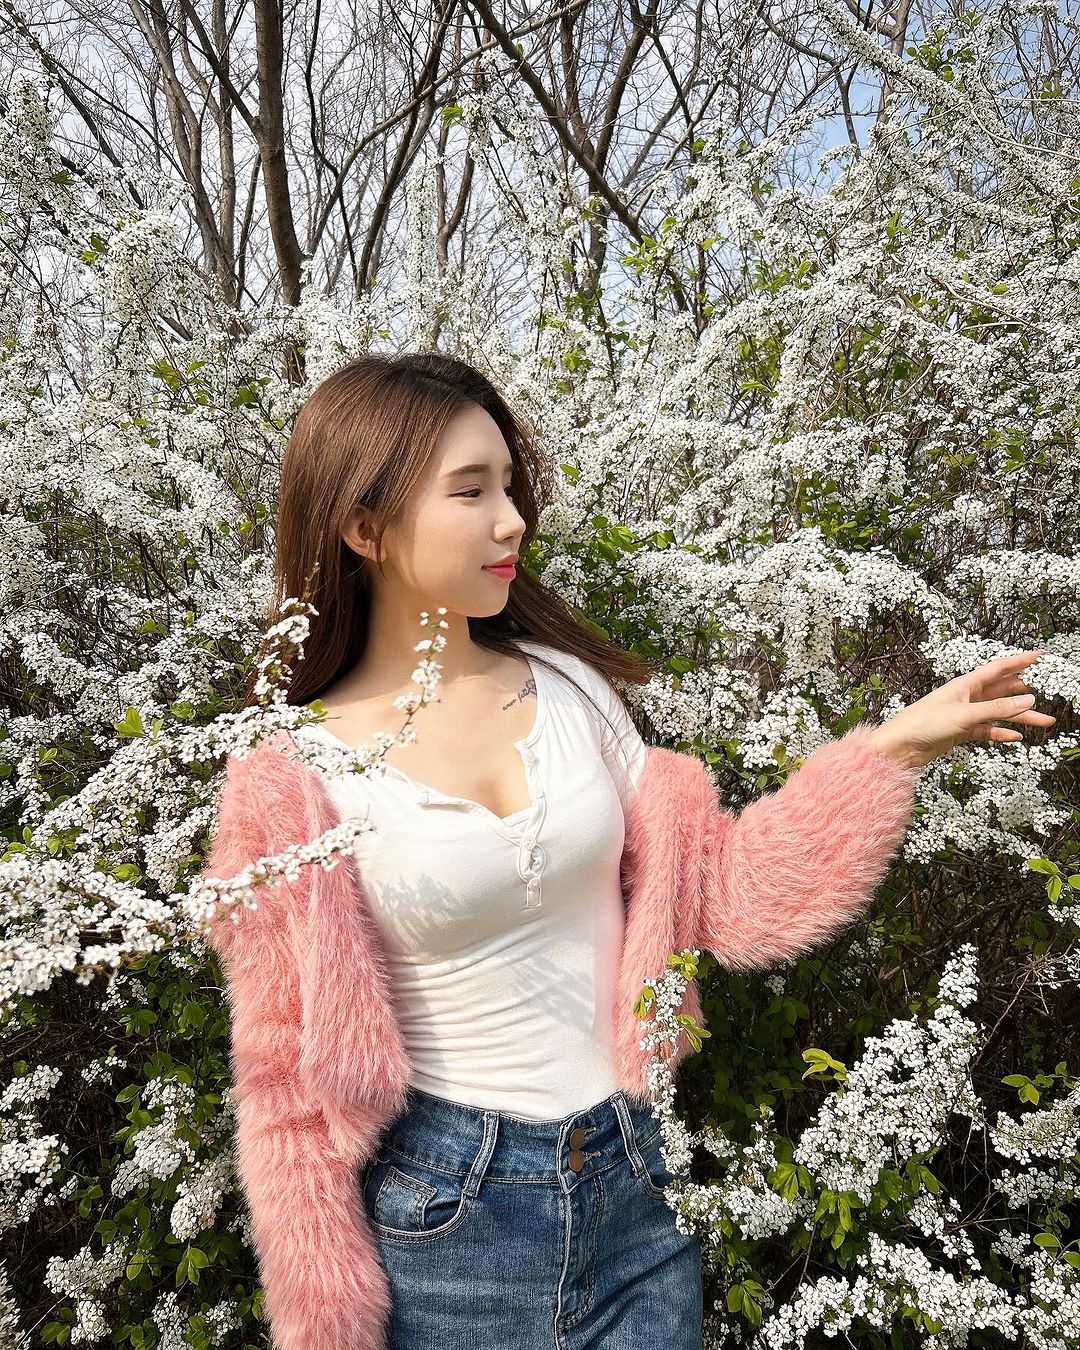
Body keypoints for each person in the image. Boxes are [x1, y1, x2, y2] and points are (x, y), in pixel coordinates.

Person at [199, 351, 1053, 1350]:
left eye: (508, 486)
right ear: (365, 527)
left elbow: (726, 892)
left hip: (635, 1186)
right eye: (470, 492)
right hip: (449, 1223)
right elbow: (286, 1090)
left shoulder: (568, 689)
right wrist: (325, 1325)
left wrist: (893, 748)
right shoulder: (289, 779)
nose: (511, 520)